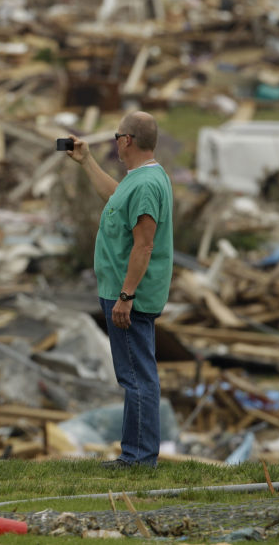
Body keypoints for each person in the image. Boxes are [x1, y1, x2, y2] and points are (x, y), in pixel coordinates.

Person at [64, 111, 173, 469]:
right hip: (126, 292)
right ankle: (134, 454)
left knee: (138, 377)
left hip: (131, 296)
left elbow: (143, 246)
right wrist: (87, 162)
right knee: (135, 375)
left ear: (127, 140)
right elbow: (114, 198)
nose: (115, 141)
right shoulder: (141, 179)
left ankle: (139, 459)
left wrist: (126, 296)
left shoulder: (144, 185)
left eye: (116, 135)